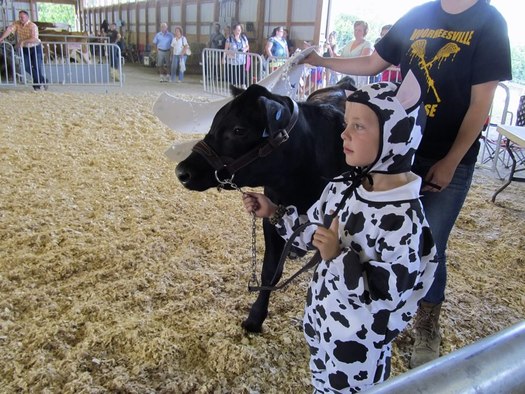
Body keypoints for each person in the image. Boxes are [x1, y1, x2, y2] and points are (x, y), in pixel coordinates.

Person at [302, 0, 512, 369]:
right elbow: (373, 63)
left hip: (447, 154)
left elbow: (481, 103)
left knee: (429, 241)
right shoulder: (419, 14)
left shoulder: (489, 22)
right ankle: (359, 305)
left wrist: (451, 160)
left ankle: (425, 320)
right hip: (396, 151)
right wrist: (322, 62)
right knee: (364, 229)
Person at [242, 72, 437, 392]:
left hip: (356, 353)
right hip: (322, 325)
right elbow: (315, 234)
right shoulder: (343, 186)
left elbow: (384, 310)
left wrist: (337, 258)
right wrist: (275, 213)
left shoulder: (402, 223)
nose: (343, 135)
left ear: (394, 135)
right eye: (346, 124)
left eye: (358, 126)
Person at [0, 10, 48, 91]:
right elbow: (9, 29)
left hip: (35, 47)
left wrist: (23, 41)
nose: (20, 18)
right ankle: (43, 80)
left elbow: (34, 39)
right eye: (19, 17)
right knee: (26, 66)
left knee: (36, 66)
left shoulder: (33, 26)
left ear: (27, 17)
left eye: (22, 17)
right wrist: (1, 38)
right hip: (25, 48)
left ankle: (37, 86)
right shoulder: (17, 24)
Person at [339, 20, 373, 87]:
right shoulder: (349, 43)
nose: (357, 32)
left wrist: (346, 61)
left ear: (364, 32)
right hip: (345, 75)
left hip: (359, 77)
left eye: (359, 30)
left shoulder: (367, 44)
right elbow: (341, 57)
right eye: (355, 30)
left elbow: (363, 60)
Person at [224, 23, 250, 87]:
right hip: (232, 61)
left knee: (243, 74)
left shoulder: (244, 38)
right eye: (237, 29)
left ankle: (243, 86)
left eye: (240, 29)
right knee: (233, 75)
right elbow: (226, 49)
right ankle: (234, 87)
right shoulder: (229, 39)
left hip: (242, 60)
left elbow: (247, 46)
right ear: (233, 30)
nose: (239, 31)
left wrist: (244, 50)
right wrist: (223, 58)